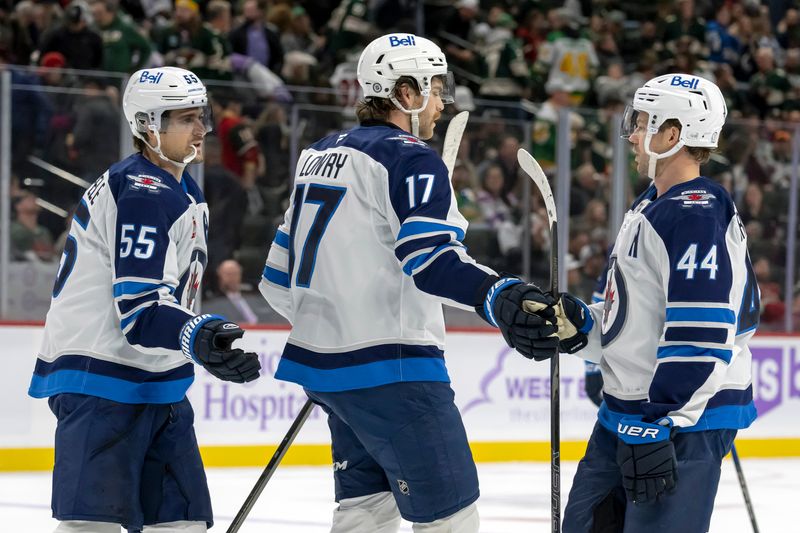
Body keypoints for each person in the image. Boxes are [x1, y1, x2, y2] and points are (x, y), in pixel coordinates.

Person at [259, 33, 558, 533]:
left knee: (364, 512)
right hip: (394, 370)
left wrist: (333, 327)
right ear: (405, 93)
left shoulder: (316, 155)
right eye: (436, 89)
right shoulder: (410, 157)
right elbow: (431, 261)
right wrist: (499, 295)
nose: (442, 103)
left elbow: (274, 279)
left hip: (326, 368)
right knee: (451, 517)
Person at [27, 66, 261, 533]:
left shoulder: (182, 188)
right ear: (147, 125)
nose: (202, 129)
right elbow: (138, 309)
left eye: (202, 115)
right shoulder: (142, 190)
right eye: (185, 118)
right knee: (89, 527)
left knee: (182, 523)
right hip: (101, 379)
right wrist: (197, 335)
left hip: (154, 377)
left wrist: (197, 340)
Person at [524, 73, 761, 532]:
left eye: (643, 122)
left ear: (673, 134)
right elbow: (629, 324)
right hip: (627, 412)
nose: (632, 133)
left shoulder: (696, 211)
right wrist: (578, 327)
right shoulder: (652, 206)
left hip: (676, 423)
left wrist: (663, 420)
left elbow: (701, 333)